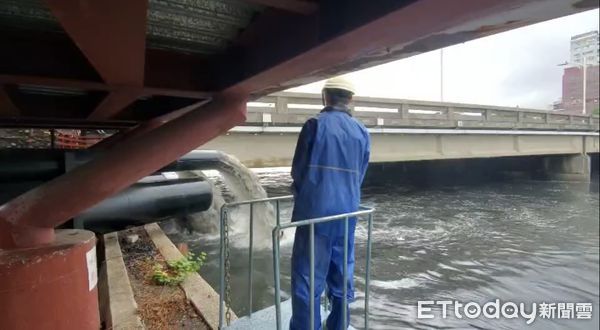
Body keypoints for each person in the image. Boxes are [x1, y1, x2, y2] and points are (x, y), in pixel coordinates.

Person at [289, 77, 370, 330]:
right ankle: (338, 325)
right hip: (347, 213)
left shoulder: (315, 125)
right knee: (342, 270)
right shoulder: (362, 131)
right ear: (351, 100)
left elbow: (298, 171)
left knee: (307, 276)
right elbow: (361, 172)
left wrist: (304, 193)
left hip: (316, 213)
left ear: (325, 96)